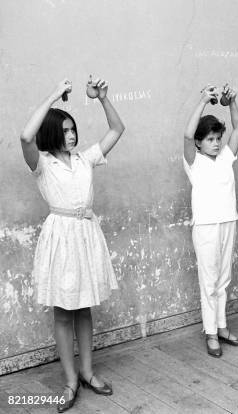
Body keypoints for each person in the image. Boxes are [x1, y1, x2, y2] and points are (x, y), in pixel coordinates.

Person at [20, 77, 125, 412]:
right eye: (65, 130)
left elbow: (117, 129)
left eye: (73, 129)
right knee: (64, 311)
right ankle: (68, 381)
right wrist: (53, 95)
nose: (72, 135)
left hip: (86, 233)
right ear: (53, 133)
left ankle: (88, 373)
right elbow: (25, 136)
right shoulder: (42, 164)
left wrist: (103, 99)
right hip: (61, 237)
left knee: (84, 306)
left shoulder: (84, 159)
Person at [183, 84, 238, 357]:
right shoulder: (192, 161)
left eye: (217, 138)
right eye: (210, 139)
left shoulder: (225, 157)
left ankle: (221, 327)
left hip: (228, 222)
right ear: (199, 142)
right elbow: (186, 133)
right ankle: (210, 333)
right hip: (206, 227)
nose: (216, 142)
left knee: (223, 279)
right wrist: (202, 101)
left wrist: (231, 102)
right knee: (208, 281)